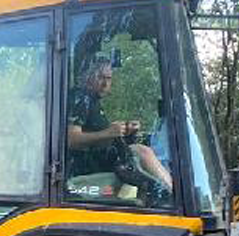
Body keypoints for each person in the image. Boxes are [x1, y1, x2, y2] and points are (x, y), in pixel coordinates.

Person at [66, 58, 173, 201]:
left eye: (109, 79)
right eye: (100, 78)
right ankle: (174, 197)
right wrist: (108, 132)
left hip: (101, 161)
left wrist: (124, 132)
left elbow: (98, 137)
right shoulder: (80, 98)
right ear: (88, 76)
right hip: (84, 166)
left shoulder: (92, 101)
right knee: (143, 152)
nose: (105, 84)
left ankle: (164, 195)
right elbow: (71, 139)